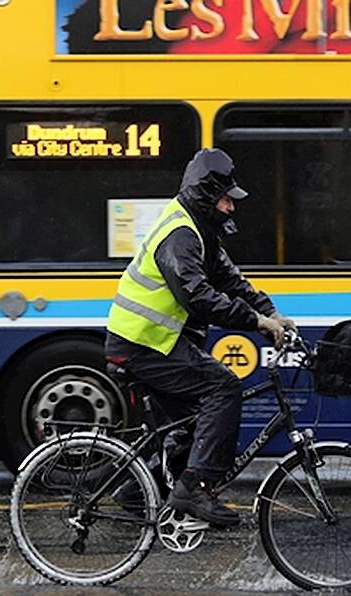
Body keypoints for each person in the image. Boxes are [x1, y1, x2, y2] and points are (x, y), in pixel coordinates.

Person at [105, 148, 297, 527]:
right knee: (223, 389)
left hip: (155, 342)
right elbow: (197, 296)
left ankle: (136, 493)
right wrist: (256, 322)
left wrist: (271, 312)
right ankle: (195, 488)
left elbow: (229, 280)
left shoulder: (201, 233)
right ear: (206, 196)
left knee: (196, 424)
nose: (231, 207)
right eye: (226, 199)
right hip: (141, 344)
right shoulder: (180, 235)